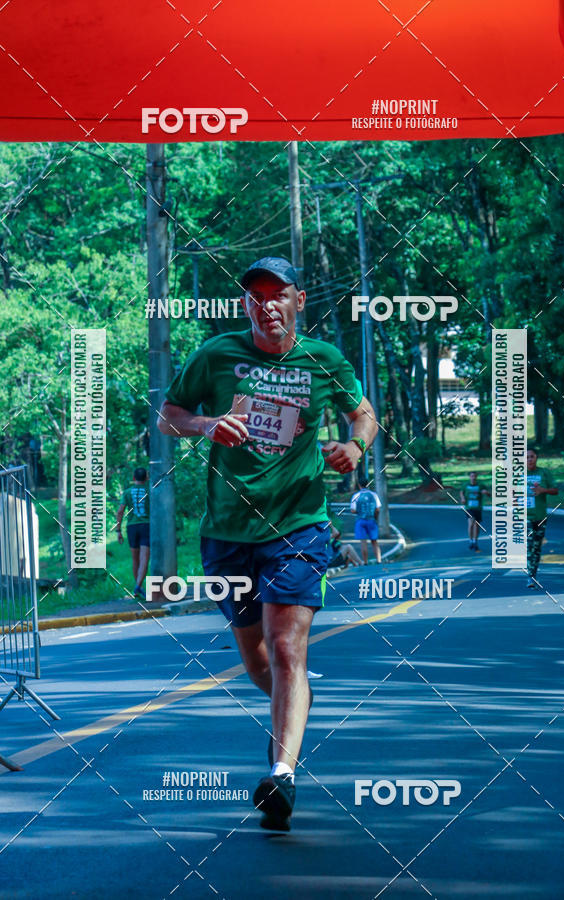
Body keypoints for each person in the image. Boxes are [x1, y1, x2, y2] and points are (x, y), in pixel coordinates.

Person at [157, 256, 377, 832]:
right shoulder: (216, 355)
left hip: (299, 525)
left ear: (298, 302)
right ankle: (295, 698)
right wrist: (207, 425)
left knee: (285, 648)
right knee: (259, 661)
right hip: (228, 532)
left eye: (277, 294)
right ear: (245, 304)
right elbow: (169, 417)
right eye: (255, 296)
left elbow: (364, 415)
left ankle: (281, 773)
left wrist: (355, 449)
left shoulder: (323, 360)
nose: (266, 305)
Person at [526, 447, 558, 588]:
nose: (529, 459)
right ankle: (530, 576)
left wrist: (542, 490)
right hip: (524, 517)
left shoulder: (544, 472)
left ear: (536, 457)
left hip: (540, 516)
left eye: (532, 456)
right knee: (529, 546)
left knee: (537, 547)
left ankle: (533, 574)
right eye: (526, 457)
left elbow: (555, 490)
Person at [116, 467, 150, 599]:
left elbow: (120, 511)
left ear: (134, 478)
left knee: (135, 559)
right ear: (146, 478)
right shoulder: (150, 491)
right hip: (146, 526)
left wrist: (118, 530)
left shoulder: (127, 492)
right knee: (144, 558)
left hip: (132, 528)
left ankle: (137, 589)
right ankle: (138, 586)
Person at [350, 476, 382, 564]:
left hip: (360, 521)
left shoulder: (356, 496)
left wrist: (360, 512)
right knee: (374, 541)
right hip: (371, 520)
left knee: (363, 542)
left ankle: (365, 562)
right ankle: (379, 560)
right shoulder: (374, 495)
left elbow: (352, 510)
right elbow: (378, 509)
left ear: (359, 485)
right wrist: (375, 517)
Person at [459, 471, 490, 551]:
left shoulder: (480, 485)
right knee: (471, 523)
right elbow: (461, 492)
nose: (473, 477)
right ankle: (470, 540)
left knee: (476, 525)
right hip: (469, 507)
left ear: (476, 477)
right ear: (470, 477)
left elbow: (489, 494)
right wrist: (462, 498)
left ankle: (474, 541)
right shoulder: (466, 485)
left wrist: (486, 493)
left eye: (475, 476)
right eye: (472, 476)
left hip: (478, 508)